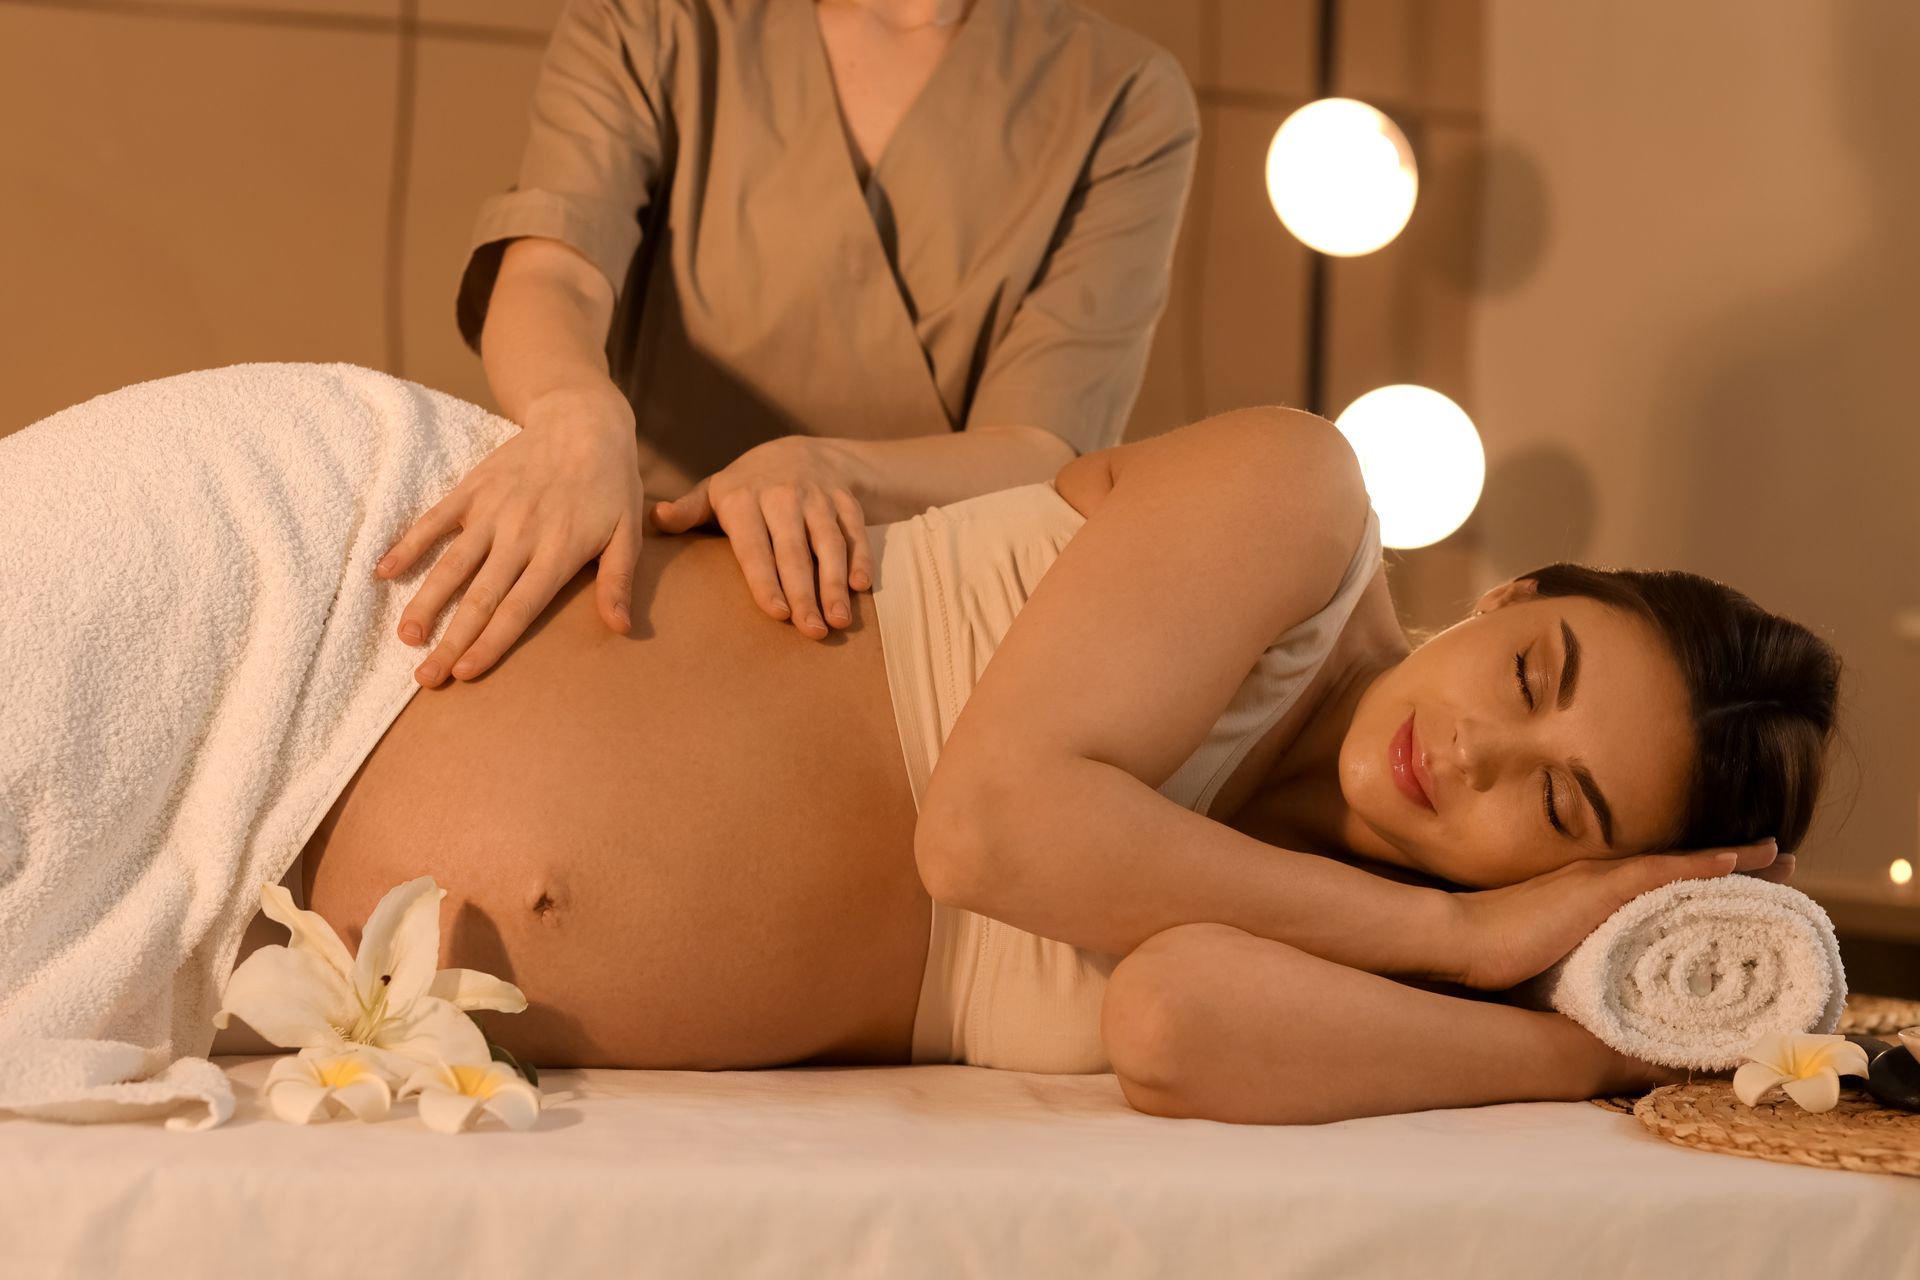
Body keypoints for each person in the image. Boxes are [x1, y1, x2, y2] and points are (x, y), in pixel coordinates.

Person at [200, 394, 1830, 1127]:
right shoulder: (1300, 507)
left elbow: (1174, 1028)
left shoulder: (1344, 937)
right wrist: (1468, 932)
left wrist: (1596, 1049)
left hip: (258, 943)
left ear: (1585, 886)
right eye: (1533, 674)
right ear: (1512, 593)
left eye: (1555, 805)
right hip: (330, 613)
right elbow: (987, 832)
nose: (1470, 747)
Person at [388, 0, 1200, 691]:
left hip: (910, 620)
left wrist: (830, 470)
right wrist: (576, 415)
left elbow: (1042, 447)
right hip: (637, 574)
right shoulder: (661, 18)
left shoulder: (1121, 95)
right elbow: (554, 271)